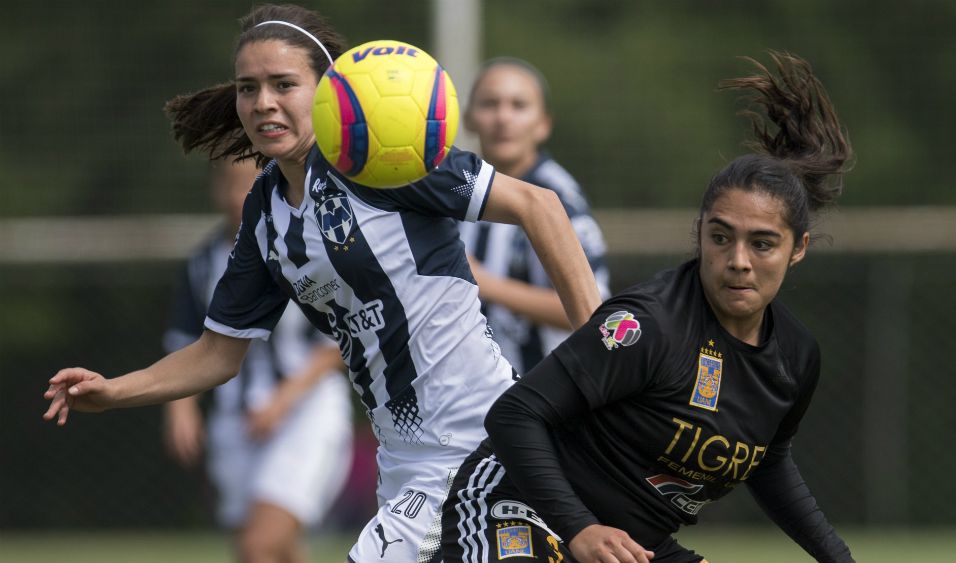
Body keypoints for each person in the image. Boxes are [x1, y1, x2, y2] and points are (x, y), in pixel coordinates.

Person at [42, 4, 603, 563]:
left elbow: (539, 205)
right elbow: (217, 354)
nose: (263, 102)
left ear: (327, 88)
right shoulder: (264, 212)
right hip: (405, 460)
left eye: (283, 84)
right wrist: (115, 391)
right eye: (248, 88)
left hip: (479, 439)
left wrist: (604, 359)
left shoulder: (380, 153)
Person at [441, 51, 856, 563]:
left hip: (635, 547)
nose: (739, 261)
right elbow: (514, 413)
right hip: (520, 511)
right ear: (699, 234)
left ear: (799, 249)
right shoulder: (649, 324)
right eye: (721, 237)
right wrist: (580, 529)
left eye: (763, 244)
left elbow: (767, 462)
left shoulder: (795, 356)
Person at [162, 156, 354, 563]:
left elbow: (342, 339)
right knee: (271, 550)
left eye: (247, 184)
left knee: (259, 545)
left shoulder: (310, 244)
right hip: (236, 422)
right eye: (228, 185)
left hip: (306, 411)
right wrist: (181, 408)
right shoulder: (202, 262)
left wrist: (285, 399)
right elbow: (186, 341)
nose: (237, 196)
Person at [460, 57, 610, 374]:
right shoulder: (455, 189)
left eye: (518, 105)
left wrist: (487, 284)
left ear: (543, 124)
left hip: (549, 395)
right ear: (468, 118)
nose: (503, 117)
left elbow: (597, 310)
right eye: (490, 104)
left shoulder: (560, 198)